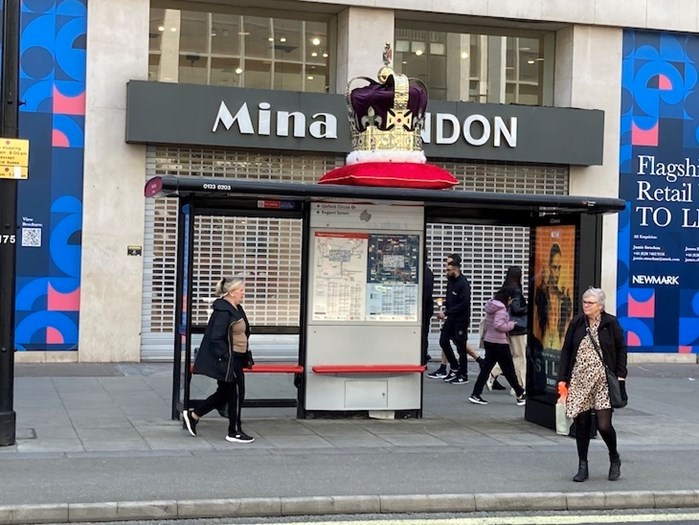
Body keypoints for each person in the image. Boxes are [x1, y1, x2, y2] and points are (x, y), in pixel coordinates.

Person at [557, 287, 627, 482]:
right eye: (584, 302)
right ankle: (582, 465)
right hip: (580, 379)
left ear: (600, 306)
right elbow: (567, 350)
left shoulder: (610, 323)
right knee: (582, 423)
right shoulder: (577, 322)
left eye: (590, 303)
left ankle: (614, 457)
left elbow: (621, 348)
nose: (586, 306)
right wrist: (562, 378)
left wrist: (621, 375)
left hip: (603, 380)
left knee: (604, 425)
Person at [183, 276, 255, 444]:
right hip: (229, 359)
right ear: (231, 292)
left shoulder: (236, 307)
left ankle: (194, 415)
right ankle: (234, 431)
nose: (243, 293)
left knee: (224, 393)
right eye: (241, 290)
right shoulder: (223, 310)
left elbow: (243, 331)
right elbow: (216, 337)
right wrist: (227, 356)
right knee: (236, 394)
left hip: (237, 356)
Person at [468, 286, 526, 406]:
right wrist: (511, 324)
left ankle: (475, 394)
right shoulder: (501, 308)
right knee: (509, 370)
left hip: (490, 341)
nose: (511, 303)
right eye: (511, 300)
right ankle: (520, 394)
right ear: (508, 298)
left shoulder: (492, 305)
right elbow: (499, 325)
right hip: (499, 343)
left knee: (486, 369)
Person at [487, 266, 528, 394]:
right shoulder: (516, 290)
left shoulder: (504, 289)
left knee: (510, 356)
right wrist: (530, 308)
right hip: (518, 328)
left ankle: (492, 374)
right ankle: (519, 386)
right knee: (519, 357)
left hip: (508, 327)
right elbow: (516, 309)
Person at [534, 243, 573, 350]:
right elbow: (536, 321)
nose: (556, 273)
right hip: (545, 337)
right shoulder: (542, 292)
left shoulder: (563, 296)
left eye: (559, 268)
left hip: (558, 339)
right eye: (554, 267)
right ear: (549, 266)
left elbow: (567, 322)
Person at [422, 263, 435, 365]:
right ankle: (424, 355)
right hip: (427, 309)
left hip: (423, 309)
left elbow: (425, 294)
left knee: (422, 334)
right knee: (424, 334)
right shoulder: (428, 272)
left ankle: (423, 356)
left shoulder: (423, 272)